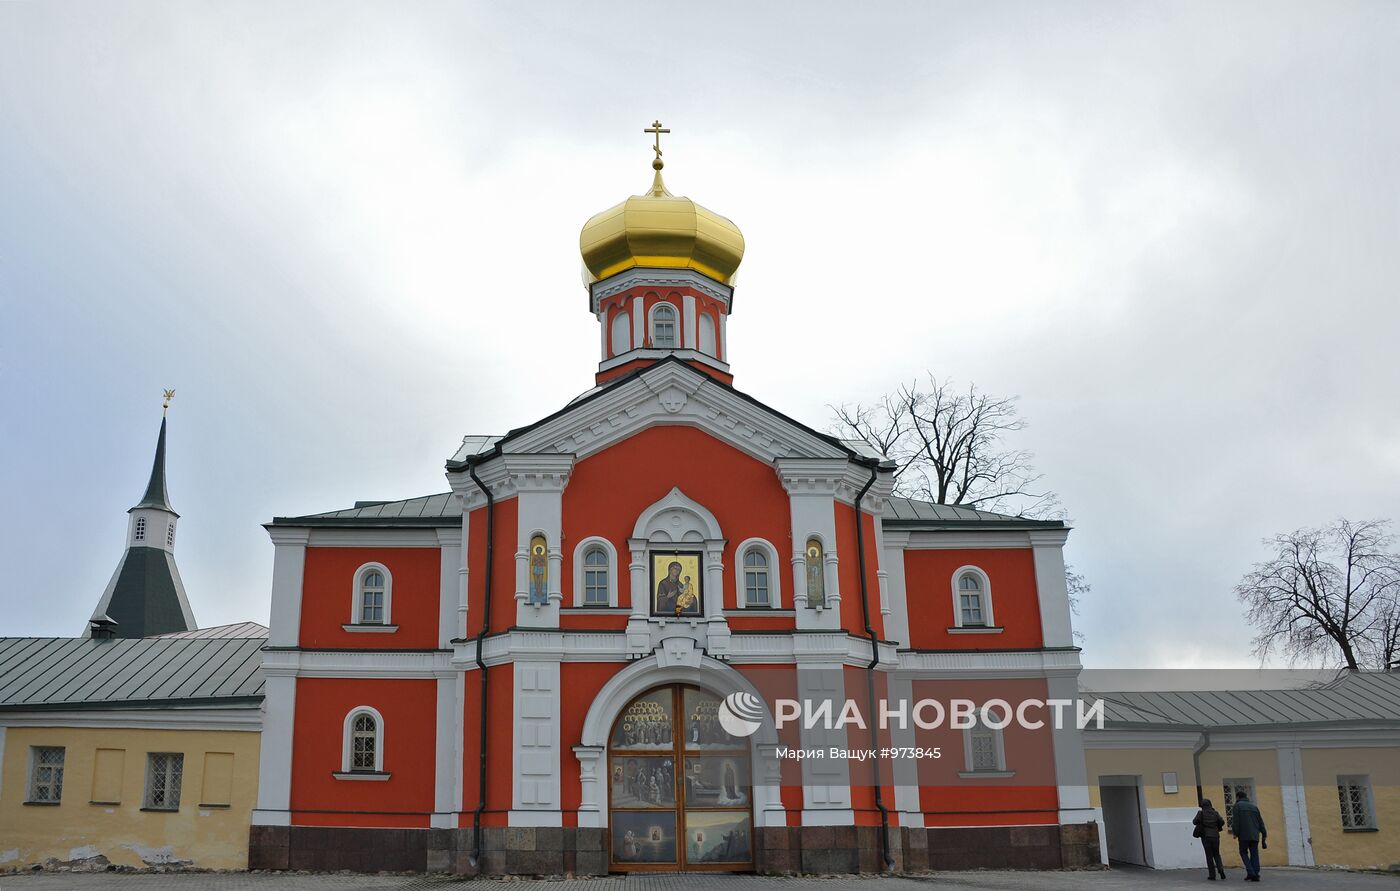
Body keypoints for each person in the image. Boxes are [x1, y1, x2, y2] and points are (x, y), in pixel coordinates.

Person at [1230, 791, 1268, 882]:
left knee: (1243, 852)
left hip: (1244, 835)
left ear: (1238, 797)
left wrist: (1235, 832)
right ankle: (1255, 873)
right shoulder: (1254, 807)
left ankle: (1251, 872)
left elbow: (1236, 821)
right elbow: (1260, 822)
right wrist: (1264, 833)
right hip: (1255, 834)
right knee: (1254, 853)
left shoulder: (1237, 806)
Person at [1193, 798, 1227, 880]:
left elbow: (1194, 822)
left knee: (1209, 856)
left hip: (1206, 836)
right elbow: (1222, 822)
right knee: (1216, 854)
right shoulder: (1215, 813)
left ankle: (1212, 875)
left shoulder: (1201, 813)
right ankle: (1221, 870)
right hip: (1215, 836)